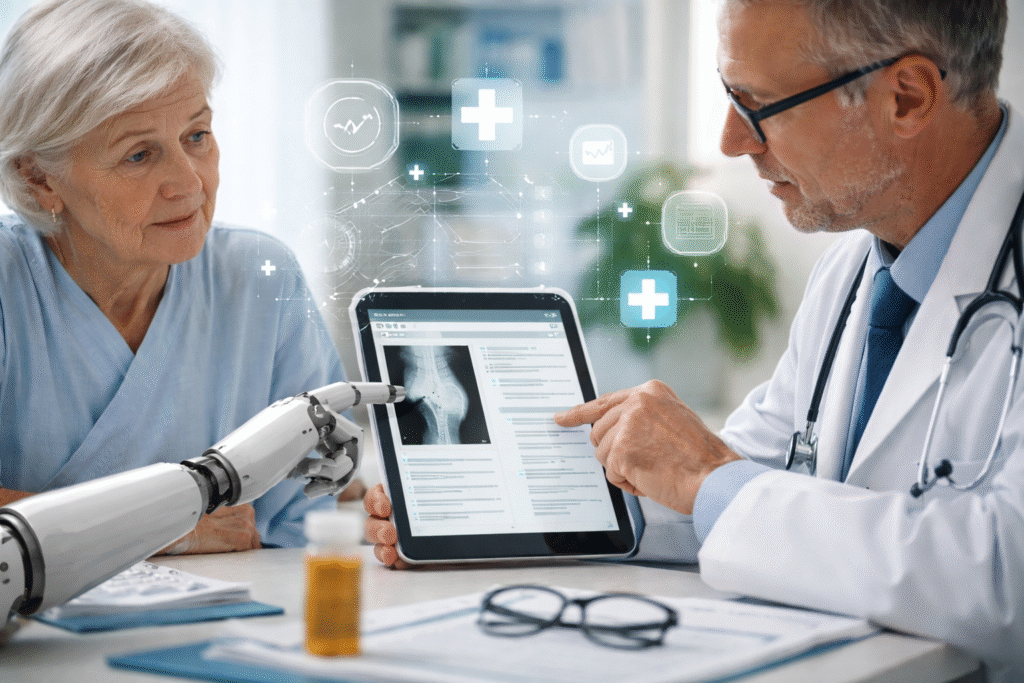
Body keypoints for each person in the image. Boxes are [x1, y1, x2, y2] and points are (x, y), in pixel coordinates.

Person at [366, 0, 1024, 678]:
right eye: (729, 96)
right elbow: (757, 476)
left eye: (759, 104)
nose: (732, 141)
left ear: (906, 97)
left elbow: (1006, 577)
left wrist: (703, 475)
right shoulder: (855, 272)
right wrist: (507, 517)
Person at [0, 0, 346, 553]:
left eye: (197, 136)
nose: (188, 183)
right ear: (39, 178)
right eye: (139, 155)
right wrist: (155, 527)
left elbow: (307, 513)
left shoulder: (259, 278)